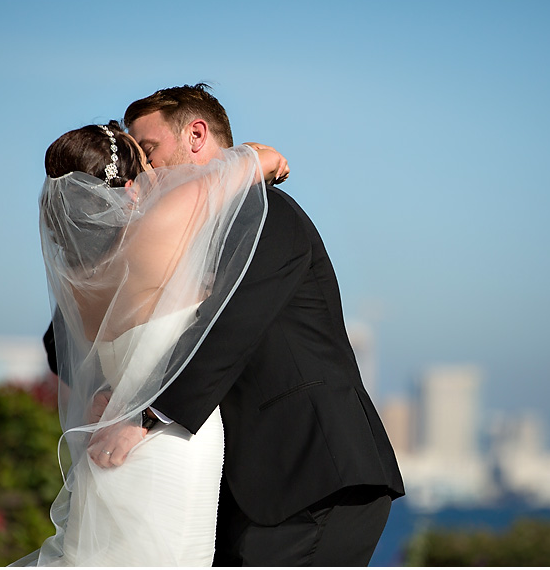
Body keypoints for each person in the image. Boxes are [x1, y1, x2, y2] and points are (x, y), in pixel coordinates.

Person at [120, 84, 405, 566]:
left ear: (195, 135)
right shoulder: (187, 235)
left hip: (315, 474)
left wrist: (146, 418)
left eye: (149, 152)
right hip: (252, 486)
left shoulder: (266, 212)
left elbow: (231, 325)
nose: (145, 170)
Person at [17, 120, 288, 566]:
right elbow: (262, 157)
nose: (157, 176)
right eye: (146, 167)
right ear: (127, 190)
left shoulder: (79, 284)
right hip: (170, 447)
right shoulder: (162, 226)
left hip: (110, 447)